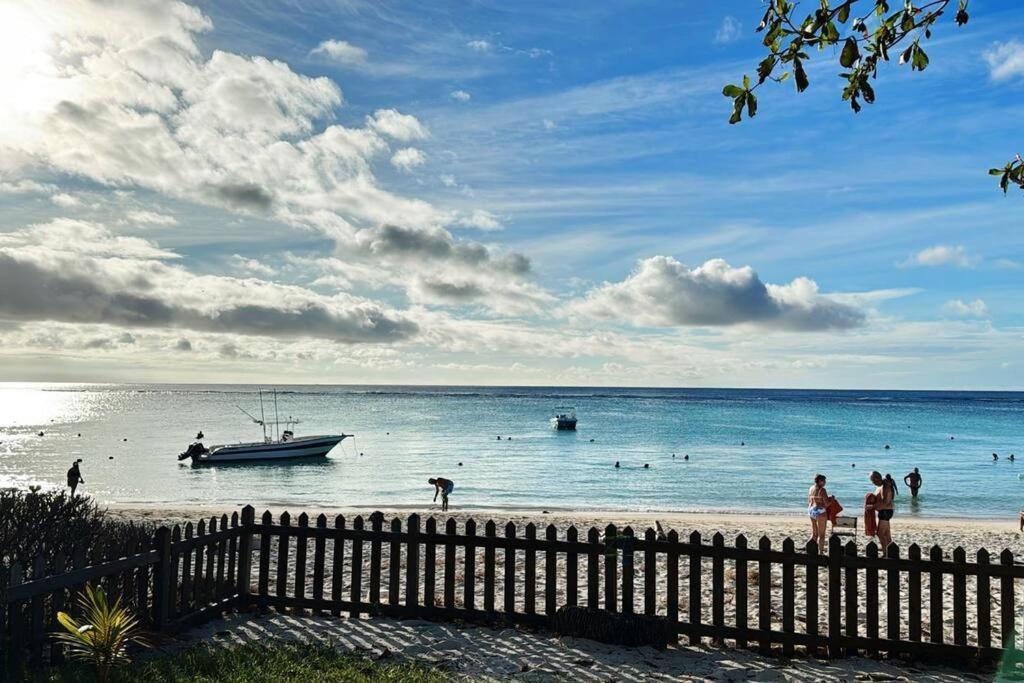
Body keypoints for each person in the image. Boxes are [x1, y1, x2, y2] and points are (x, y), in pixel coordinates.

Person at [868, 471, 894, 548]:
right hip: (885, 511)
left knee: (880, 534)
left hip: (885, 512)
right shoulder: (880, 485)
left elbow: (885, 502)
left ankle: (885, 553)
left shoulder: (885, 486)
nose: (872, 483)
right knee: (886, 534)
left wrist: (872, 507)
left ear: (877, 478)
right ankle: (891, 552)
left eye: (872, 481)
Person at [807, 474, 830, 551]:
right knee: (822, 535)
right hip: (820, 511)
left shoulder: (811, 488)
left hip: (811, 510)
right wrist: (832, 499)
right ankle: (821, 553)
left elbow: (809, 500)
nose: (825, 482)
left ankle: (810, 549)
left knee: (814, 533)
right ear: (820, 481)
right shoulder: (822, 490)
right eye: (824, 481)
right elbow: (827, 504)